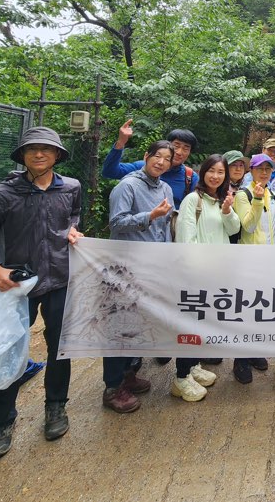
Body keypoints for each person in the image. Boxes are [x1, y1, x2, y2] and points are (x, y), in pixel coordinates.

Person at [0, 127, 83, 460]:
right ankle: (1, 423)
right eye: (31, 149)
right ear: (22, 155)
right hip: (19, 284)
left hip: (60, 278)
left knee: (60, 346)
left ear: (57, 155)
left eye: (46, 149)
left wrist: (73, 230)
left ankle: (56, 407)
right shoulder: (2, 194)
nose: (38, 154)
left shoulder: (71, 187)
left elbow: (74, 216)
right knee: (10, 350)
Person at [102, 140, 176, 414]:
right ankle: (112, 387)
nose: (161, 162)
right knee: (121, 324)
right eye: (157, 156)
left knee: (140, 322)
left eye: (167, 159)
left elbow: (166, 226)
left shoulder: (165, 188)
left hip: (152, 267)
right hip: (126, 267)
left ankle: (129, 374)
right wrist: (150, 215)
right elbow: (116, 223)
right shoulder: (127, 186)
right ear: (146, 156)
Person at [173, 155, 240, 400]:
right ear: (203, 173)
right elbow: (186, 238)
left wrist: (227, 211)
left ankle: (193, 366)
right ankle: (181, 378)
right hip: (196, 274)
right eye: (211, 171)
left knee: (202, 321)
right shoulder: (193, 199)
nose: (215, 176)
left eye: (220, 172)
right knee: (190, 323)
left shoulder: (221, 200)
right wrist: (197, 269)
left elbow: (233, 229)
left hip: (216, 273)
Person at [232, 153, 275, 383]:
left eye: (268, 169)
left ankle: (253, 351)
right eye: (259, 169)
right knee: (246, 309)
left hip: (270, 261)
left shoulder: (273, 194)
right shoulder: (243, 194)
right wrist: (256, 199)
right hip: (250, 261)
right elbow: (248, 226)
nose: (264, 173)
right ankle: (240, 360)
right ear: (251, 171)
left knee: (261, 307)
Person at [101, 119, 199, 206]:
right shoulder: (143, 167)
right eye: (176, 146)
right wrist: (121, 142)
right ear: (168, 146)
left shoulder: (190, 177)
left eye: (186, 149)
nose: (179, 152)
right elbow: (109, 171)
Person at [223, 150, 251, 243]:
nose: (238, 169)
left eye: (241, 165)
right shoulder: (219, 188)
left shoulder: (246, 187)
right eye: (234, 165)